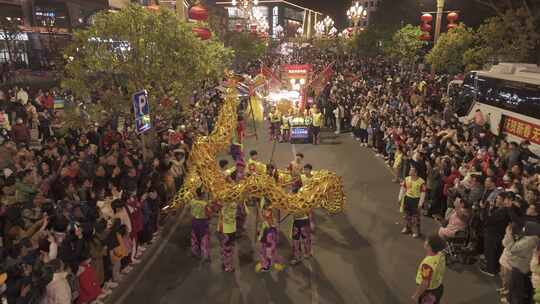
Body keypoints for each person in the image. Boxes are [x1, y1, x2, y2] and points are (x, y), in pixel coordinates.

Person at [412, 234, 447, 304]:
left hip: (429, 293)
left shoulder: (427, 264)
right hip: (438, 287)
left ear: (429, 246)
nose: (425, 241)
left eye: (426, 241)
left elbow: (425, 283)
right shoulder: (441, 255)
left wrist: (416, 295)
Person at [255, 198, 284, 273]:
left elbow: (263, 219)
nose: (265, 212)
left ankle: (269, 265)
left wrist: (258, 209)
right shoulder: (265, 206)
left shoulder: (272, 211)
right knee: (263, 249)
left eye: (267, 210)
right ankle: (267, 264)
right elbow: (262, 219)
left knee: (269, 251)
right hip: (265, 231)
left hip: (270, 234)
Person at [399, 166, 427, 238]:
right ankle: (408, 228)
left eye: (412, 170)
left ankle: (417, 232)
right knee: (407, 215)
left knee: (416, 217)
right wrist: (400, 197)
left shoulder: (421, 182)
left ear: (416, 173)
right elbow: (403, 188)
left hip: (416, 200)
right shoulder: (407, 179)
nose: (410, 171)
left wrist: (420, 204)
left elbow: (423, 193)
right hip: (408, 199)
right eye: (410, 170)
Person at [189, 188, 212, 261]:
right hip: (203, 222)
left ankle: (194, 251)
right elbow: (208, 214)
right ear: (202, 195)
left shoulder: (192, 201)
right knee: (204, 238)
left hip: (194, 221)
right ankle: (205, 255)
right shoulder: (205, 204)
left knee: (194, 237)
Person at [217, 202, 237, 273]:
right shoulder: (234, 204)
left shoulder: (222, 205)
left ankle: (224, 263)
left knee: (224, 247)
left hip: (223, 229)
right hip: (230, 231)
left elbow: (220, 217)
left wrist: (220, 229)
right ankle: (228, 267)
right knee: (228, 249)